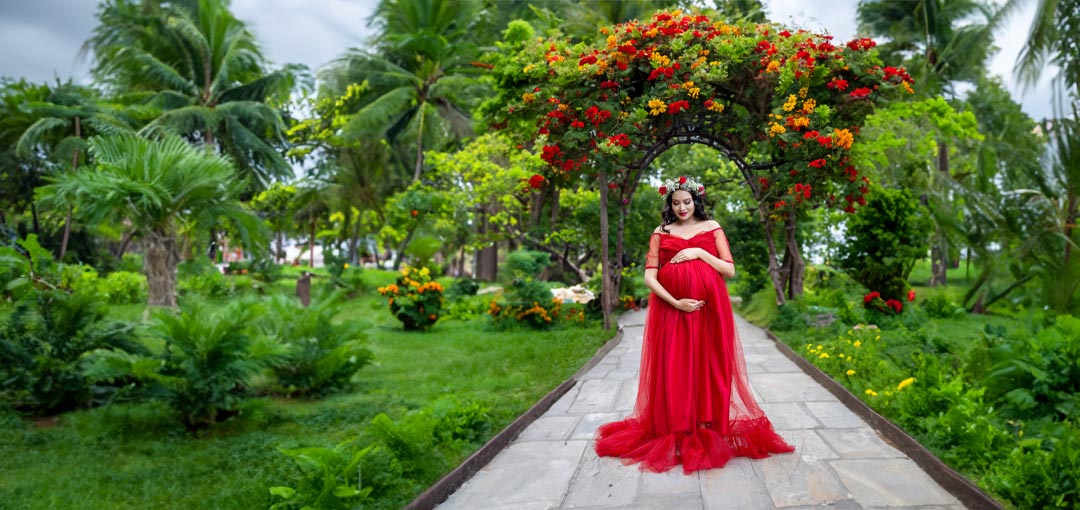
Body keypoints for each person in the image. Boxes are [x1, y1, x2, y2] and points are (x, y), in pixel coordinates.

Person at [595, 175, 794, 474]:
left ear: (696, 200)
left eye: (686, 202)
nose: (682, 208)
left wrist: (700, 253)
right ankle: (678, 426)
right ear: (669, 204)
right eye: (675, 203)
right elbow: (650, 277)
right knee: (676, 364)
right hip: (672, 310)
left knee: (710, 364)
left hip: (711, 310)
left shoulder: (712, 227)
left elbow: (729, 269)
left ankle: (708, 422)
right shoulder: (660, 232)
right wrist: (676, 302)